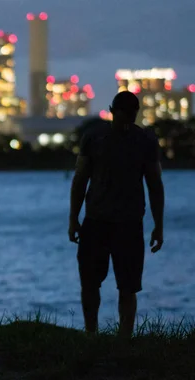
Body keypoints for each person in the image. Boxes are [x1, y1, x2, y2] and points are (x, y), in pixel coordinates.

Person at [68, 91, 165, 338]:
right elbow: (80, 179)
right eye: (125, 109)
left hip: (129, 223)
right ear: (113, 110)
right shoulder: (94, 138)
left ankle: (124, 338)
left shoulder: (144, 141)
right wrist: (73, 219)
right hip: (96, 221)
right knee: (90, 283)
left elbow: (155, 184)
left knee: (128, 286)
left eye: (134, 109)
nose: (130, 114)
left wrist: (159, 225)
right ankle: (92, 334)